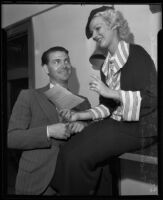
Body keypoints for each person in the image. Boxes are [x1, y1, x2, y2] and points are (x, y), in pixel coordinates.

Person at [51, 6, 157, 195]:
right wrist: (79, 115)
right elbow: (107, 107)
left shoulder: (137, 53)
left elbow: (152, 98)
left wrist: (112, 93)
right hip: (117, 124)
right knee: (69, 151)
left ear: (114, 24)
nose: (94, 35)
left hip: (141, 126)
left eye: (98, 28)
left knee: (76, 156)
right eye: (92, 32)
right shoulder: (105, 66)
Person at [7, 46, 91, 195]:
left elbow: (93, 138)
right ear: (46, 69)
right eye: (57, 61)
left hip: (73, 180)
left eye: (66, 61)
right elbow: (12, 138)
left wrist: (84, 126)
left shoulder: (83, 102)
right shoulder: (29, 96)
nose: (64, 65)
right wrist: (48, 131)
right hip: (38, 182)